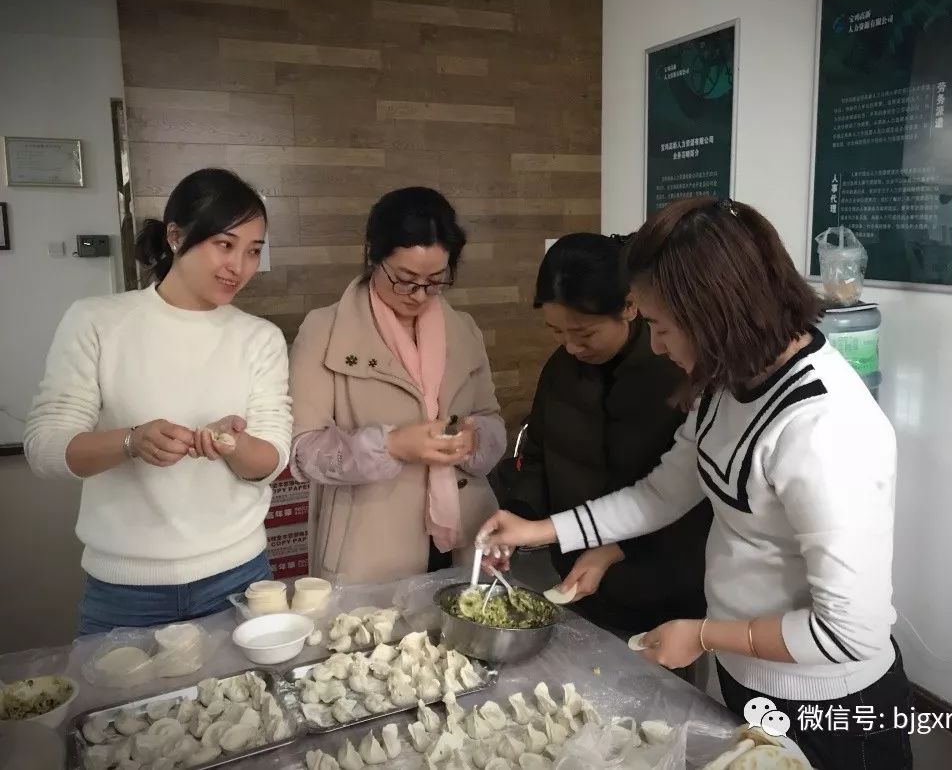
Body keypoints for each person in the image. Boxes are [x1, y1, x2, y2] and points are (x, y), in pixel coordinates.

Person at [478, 197, 913, 770]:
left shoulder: (824, 429)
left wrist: (706, 635)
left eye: (660, 326)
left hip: (830, 703)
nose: (655, 345)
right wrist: (538, 530)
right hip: (751, 677)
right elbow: (661, 493)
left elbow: (849, 633)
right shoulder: (725, 386)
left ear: (715, 313)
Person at [24, 168, 293, 635]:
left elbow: (271, 460)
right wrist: (131, 441)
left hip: (238, 575)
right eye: (224, 245)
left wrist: (233, 445)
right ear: (175, 236)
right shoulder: (97, 322)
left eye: (253, 251)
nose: (239, 266)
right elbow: (45, 448)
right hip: (126, 590)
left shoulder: (260, 338)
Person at [289, 186, 506, 583]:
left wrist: (475, 439)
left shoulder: (464, 330)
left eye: (435, 281)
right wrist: (390, 446)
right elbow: (304, 452)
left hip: (466, 529)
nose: (419, 295)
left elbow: (491, 418)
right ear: (374, 256)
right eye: (405, 279)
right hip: (370, 543)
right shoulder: (324, 330)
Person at [502, 233, 711, 638]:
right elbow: (540, 452)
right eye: (557, 332)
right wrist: (521, 515)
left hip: (662, 584)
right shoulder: (561, 369)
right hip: (577, 575)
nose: (571, 347)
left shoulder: (675, 373)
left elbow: (686, 496)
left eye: (584, 333)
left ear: (630, 306)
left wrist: (617, 549)